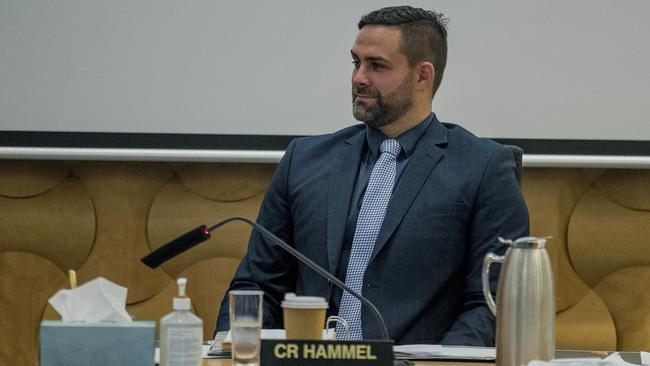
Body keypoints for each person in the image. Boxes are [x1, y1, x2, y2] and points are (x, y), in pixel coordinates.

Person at [216, 5, 529, 346]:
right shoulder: (304, 161)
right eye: (356, 62)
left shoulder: (483, 167)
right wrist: (239, 349)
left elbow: (493, 303)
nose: (358, 78)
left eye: (377, 65)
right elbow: (257, 285)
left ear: (423, 76)